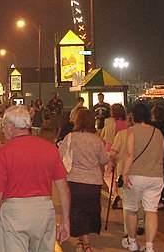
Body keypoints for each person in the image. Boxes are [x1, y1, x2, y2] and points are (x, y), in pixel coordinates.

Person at [0, 105, 71, 252]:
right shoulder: (49, 148)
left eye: (3, 125)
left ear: (11, 126)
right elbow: (63, 188)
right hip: (44, 210)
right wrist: (65, 220)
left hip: (14, 212)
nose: (3, 130)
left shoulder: (2, 153)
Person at [61, 108, 108, 252]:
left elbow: (60, 155)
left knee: (77, 212)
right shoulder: (96, 139)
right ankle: (83, 244)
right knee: (88, 211)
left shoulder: (70, 137)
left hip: (74, 180)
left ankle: (84, 244)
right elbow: (104, 159)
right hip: (93, 182)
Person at [120, 103, 164, 252]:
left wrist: (124, 173)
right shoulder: (158, 132)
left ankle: (132, 242)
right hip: (156, 176)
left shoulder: (131, 131)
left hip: (136, 176)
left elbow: (129, 154)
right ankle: (150, 246)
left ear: (133, 116)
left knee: (131, 210)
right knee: (151, 211)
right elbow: (161, 154)